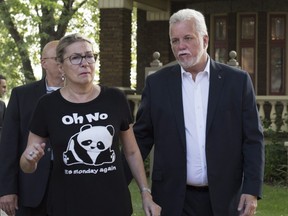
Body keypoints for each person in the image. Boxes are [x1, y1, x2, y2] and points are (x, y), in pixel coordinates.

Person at [124, 8, 265, 216]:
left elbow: (253, 139)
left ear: (205, 39)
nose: (181, 47)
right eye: (175, 40)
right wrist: (114, 181)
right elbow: (141, 139)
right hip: (172, 199)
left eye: (188, 38)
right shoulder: (157, 84)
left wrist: (252, 189)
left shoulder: (237, 81)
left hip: (225, 197)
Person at [19, 33, 161, 216]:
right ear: (61, 67)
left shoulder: (114, 98)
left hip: (113, 204)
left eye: (89, 56)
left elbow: (131, 152)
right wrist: (30, 160)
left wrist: (145, 193)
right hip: (66, 205)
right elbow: (26, 163)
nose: (84, 62)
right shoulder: (47, 105)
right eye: (75, 58)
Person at [0, 40, 64, 216]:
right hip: (30, 186)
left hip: (69, 186)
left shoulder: (80, 95)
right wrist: (7, 189)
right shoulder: (22, 95)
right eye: (58, 58)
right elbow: (8, 144)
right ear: (44, 62)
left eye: (66, 57)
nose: (62, 62)